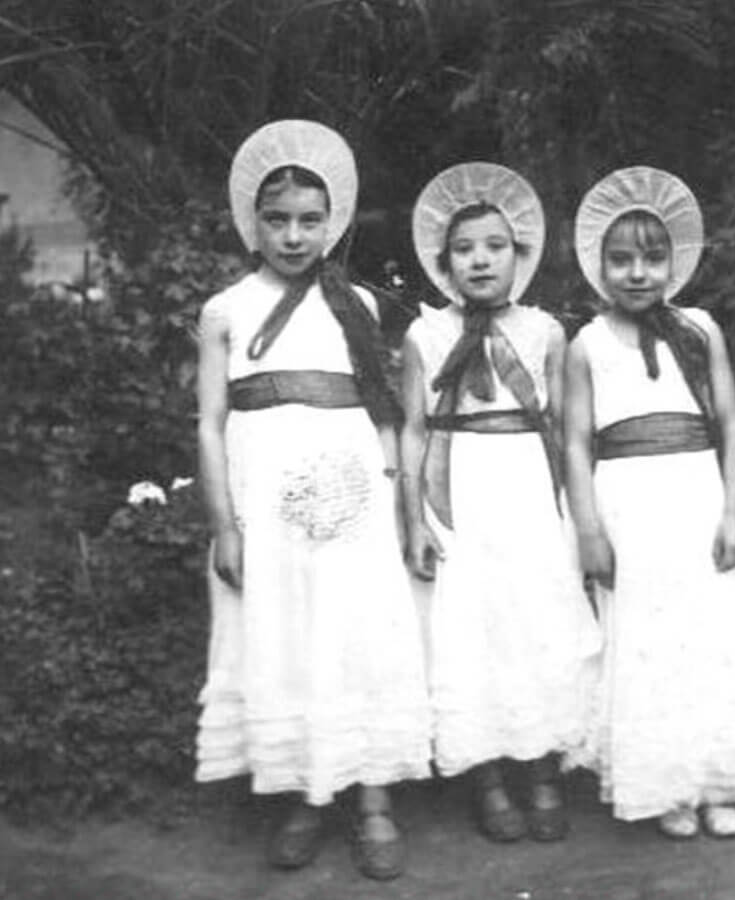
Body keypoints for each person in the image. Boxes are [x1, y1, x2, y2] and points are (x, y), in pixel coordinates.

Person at [195, 120, 431, 880]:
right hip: (263, 509)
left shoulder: (356, 302)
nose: (293, 236)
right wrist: (223, 527)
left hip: (351, 504)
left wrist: (401, 507)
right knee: (287, 640)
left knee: (352, 638)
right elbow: (209, 422)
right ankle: (306, 796)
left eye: (309, 220)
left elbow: (385, 414)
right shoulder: (225, 310)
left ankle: (372, 803)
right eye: (277, 220)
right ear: (251, 223)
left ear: (332, 223)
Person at [564, 167, 735, 839]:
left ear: (674, 262)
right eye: (621, 259)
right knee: (648, 641)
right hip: (627, 503)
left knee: (711, 636)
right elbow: (573, 443)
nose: (637, 274)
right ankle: (667, 783)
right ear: (598, 265)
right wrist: (590, 531)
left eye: (652, 259)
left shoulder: (700, 330)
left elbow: (733, 424)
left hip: (695, 495)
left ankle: (716, 778)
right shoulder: (587, 344)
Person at [399, 162, 599, 843]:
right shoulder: (426, 336)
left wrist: (576, 515)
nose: (479, 259)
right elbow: (414, 429)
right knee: (470, 631)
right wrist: (414, 523)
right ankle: (485, 779)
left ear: (520, 256)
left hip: (525, 490)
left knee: (533, 622)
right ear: (444, 263)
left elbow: (566, 429)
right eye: (464, 249)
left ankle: (541, 768)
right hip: (457, 493)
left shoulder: (544, 331)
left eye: (494, 246)